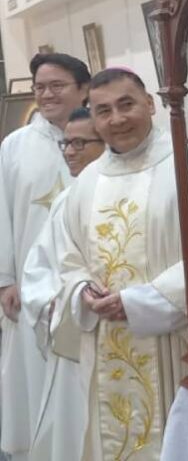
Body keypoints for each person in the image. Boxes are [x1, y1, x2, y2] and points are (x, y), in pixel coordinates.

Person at [51, 68, 188, 461]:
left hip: (175, 344)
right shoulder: (87, 182)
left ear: (149, 104)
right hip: (107, 342)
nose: (117, 119)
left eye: (126, 104)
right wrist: (83, 291)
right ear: (93, 119)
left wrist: (138, 303)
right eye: (103, 111)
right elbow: (69, 258)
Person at [0, 53, 90, 461]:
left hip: (84, 291)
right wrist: (5, 279)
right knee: (32, 381)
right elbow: (2, 213)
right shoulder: (15, 146)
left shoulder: (103, 140)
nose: (47, 94)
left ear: (83, 89)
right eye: (40, 87)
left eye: (57, 85)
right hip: (28, 289)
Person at [19, 107, 104, 461]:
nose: (69, 151)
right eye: (66, 143)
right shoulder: (65, 200)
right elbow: (38, 267)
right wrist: (53, 302)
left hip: (120, 326)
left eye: (80, 143)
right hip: (73, 328)